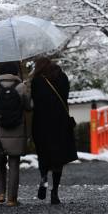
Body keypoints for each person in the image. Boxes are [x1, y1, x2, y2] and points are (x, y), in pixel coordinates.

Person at [31, 56, 77, 205]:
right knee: (58, 158)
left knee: (43, 154)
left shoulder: (37, 81)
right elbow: (66, 96)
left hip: (41, 123)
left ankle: (44, 180)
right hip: (60, 123)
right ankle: (55, 191)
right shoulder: (62, 77)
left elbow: (35, 101)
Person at [0, 61, 31, 206]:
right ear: (15, 73)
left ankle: (0, 193)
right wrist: (26, 89)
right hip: (17, 129)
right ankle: (12, 199)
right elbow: (28, 106)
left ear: (0, 73)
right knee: (14, 163)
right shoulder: (21, 86)